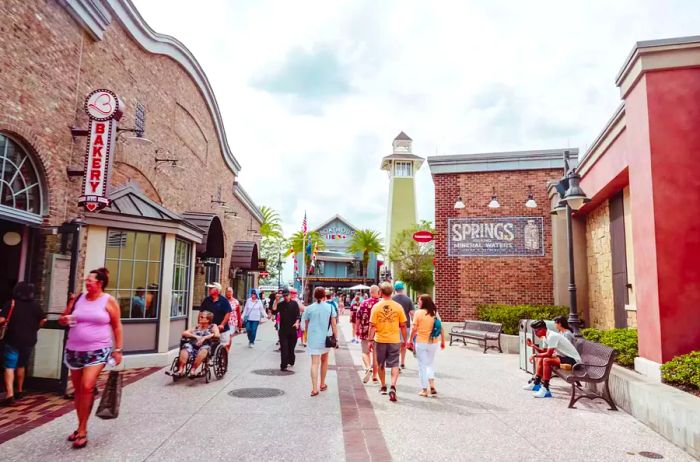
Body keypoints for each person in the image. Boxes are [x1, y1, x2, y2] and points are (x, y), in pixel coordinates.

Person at [59, 267, 123, 449]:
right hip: (74, 350)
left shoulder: (108, 301)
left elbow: (117, 326)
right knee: (79, 389)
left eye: (90, 280)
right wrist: (64, 319)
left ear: (100, 283)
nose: (87, 283)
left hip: (97, 350)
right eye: (86, 280)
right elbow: (63, 318)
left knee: (87, 386)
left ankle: (83, 430)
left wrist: (117, 349)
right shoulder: (79, 298)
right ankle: (80, 426)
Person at [0, 282, 47, 406]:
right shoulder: (35, 306)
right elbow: (44, 319)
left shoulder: (11, 303)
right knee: (21, 365)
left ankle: (10, 394)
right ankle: (20, 390)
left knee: (9, 366)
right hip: (29, 340)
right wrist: (36, 327)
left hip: (12, 338)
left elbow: (2, 319)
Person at [368, 282, 407, 402]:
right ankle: (393, 386)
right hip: (394, 339)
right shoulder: (398, 307)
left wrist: (370, 339)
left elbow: (372, 326)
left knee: (380, 364)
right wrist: (405, 339)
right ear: (392, 292)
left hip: (380, 340)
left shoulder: (376, 307)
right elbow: (403, 325)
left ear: (380, 293)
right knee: (395, 364)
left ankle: (383, 386)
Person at [524, 319, 582, 398]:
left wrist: (535, 355)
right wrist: (533, 346)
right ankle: (536, 383)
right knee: (541, 358)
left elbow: (548, 354)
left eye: (536, 331)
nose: (535, 333)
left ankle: (545, 389)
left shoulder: (552, 336)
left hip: (574, 361)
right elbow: (543, 352)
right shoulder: (545, 336)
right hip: (565, 357)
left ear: (543, 329)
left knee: (546, 361)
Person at [302, 286, 337, 397]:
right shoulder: (330, 308)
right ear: (324, 296)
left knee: (314, 363)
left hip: (313, 338)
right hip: (325, 338)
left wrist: (306, 336)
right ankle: (322, 384)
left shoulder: (309, 308)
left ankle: (314, 388)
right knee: (325, 360)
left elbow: (305, 325)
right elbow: (334, 324)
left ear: (314, 296)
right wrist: (336, 337)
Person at [407, 295, 445, 397]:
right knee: (430, 364)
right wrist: (443, 341)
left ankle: (424, 390)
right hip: (433, 342)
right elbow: (440, 327)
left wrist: (410, 340)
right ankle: (432, 385)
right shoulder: (434, 312)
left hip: (421, 342)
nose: (418, 303)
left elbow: (414, 329)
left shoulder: (418, 313)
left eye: (419, 301)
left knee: (422, 366)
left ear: (423, 302)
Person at [168, 310, 219, 378]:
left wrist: (205, 337)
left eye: (201, 317)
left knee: (204, 350)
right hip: (192, 345)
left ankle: (193, 370)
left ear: (208, 320)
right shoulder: (197, 327)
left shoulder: (213, 326)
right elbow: (184, 333)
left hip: (205, 346)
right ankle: (180, 371)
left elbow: (217, 335)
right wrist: (196, 336)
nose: (199, 318)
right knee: (186, 347)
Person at [271, 288, 300, 371]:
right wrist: (276, 300)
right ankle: (283, 365)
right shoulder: (281, 304)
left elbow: (298, 315)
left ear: (290, 295)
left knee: (291, 348)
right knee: (284, 348)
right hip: (283, 330)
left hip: (292, 329)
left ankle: (291, 360)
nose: (285, 297)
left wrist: (297, 322)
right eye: (284, 296)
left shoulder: (294, 304)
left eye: (287, 295)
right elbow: (274, 311)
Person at [356, 285, 380, 384]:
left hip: (365, 331)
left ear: (370, 292)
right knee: (376, 355)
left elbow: (358, 317)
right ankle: (374, 376)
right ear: (377, 292)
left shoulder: (363, 303)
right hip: (378, 332)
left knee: (365, 352)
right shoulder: (381, 303)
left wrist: (357, 329)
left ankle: (367, 367)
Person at [200, 283, 232, 351]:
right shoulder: (207, 300)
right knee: (207, 346)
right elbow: (201, 312)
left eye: (211, 288)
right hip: (209, 328)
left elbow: (228, 313)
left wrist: (222, 324)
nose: (209, 289)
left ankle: (224, 359)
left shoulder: (224, 301)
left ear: (217, 291)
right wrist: (200, 323)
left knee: (224, 346)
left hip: (222, 329)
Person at [392, 281, 414, 369]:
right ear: (402, 289)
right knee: (403, 344)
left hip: (394, 325)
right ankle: (403, 362)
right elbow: (412, 313)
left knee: (395, 345)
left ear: (395, 289)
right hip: (406, 325)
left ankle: (396, 362)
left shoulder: (392, 299)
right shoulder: (408, 299)